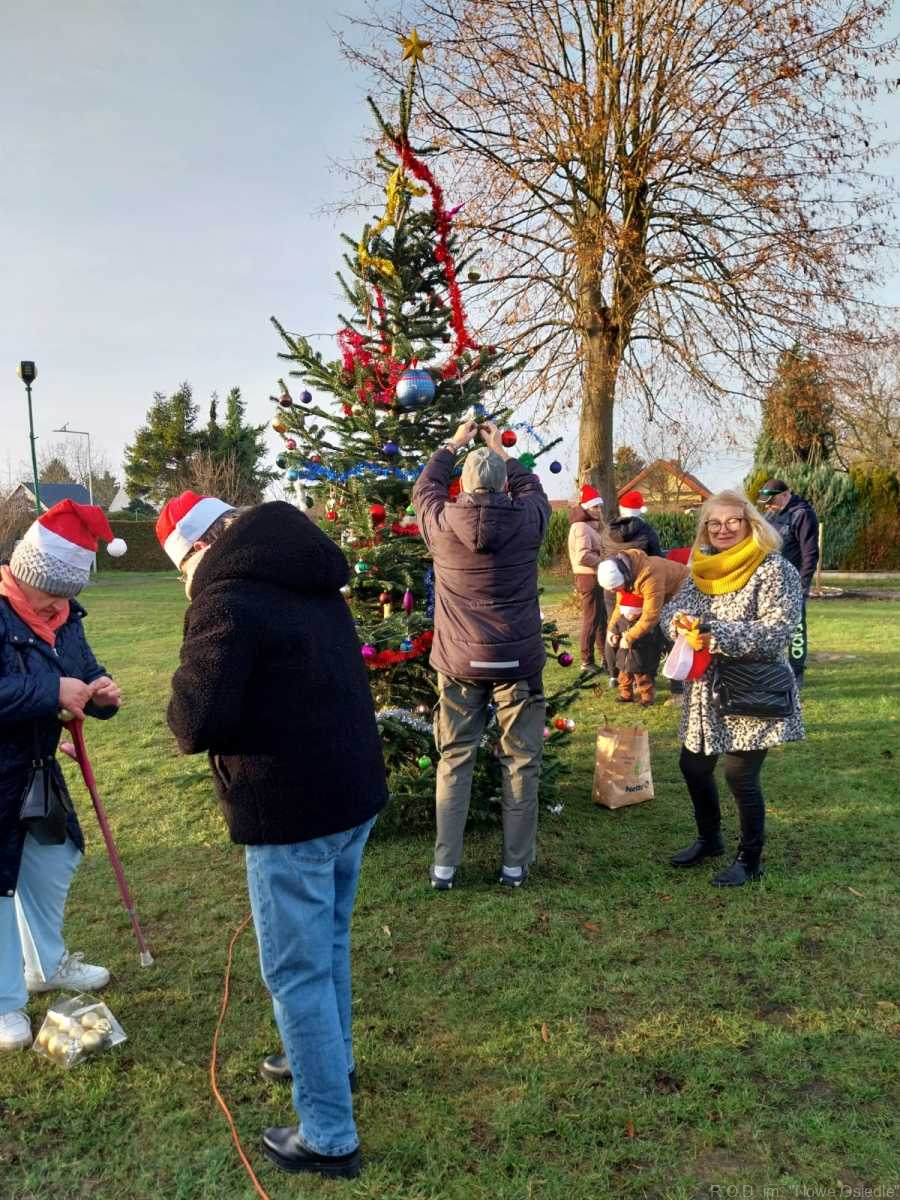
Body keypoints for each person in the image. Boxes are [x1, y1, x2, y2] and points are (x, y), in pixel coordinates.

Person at [160, 491, 387, 1180]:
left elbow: (194, 722)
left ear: (200, 548)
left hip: (292, 807)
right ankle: (331, 1059)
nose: (186, 583)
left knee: (296, 972)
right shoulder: (306, 569)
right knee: (328, 943)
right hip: (350, 790)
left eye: (181, 570)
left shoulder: (227, 596)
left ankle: (328, 1134)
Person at [0, 501, 124, 1052]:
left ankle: (45, 965)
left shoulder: (65, 616)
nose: (59, 606)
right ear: (21, 575)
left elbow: (86, 671)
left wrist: (101, 693)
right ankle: (4, 1002)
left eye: (66, 597)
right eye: (49, 595)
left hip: (36, 767)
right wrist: (51, 691)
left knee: (55, 856)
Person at [412, 420, 550, 891]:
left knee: (454, 758)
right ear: (505, 484)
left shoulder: (440, 523)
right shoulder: (529, 519)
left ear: (463, 485)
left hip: (459, 664)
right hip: (518, 663)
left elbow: (426, 486)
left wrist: (453, 443)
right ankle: (514, 867)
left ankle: (445, 867)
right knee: (521, 761)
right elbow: (534, 489)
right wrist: (502, 451)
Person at [661, 490, 804, 886]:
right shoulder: (702, 568)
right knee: (693, 766)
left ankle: (750, 858)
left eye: (731, 522)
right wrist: (679, 625)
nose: (722, 529)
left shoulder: (774, 569)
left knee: (740, 776)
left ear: (750, 524)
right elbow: (671, 613)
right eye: (713, 523)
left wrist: (715, 635)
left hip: (751, 688)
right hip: (705, 692)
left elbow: (778, 631)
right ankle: (710, 840)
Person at [597, 548, 689, 707]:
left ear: (625, 577)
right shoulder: (624, 573)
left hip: (682, 592)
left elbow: (651, 616)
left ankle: (679, 692)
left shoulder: (650, 575)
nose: (613, 592)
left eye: (615, 587)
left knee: (673, 637)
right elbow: (620, 605)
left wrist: (629, 636)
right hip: (662, 595)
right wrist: (611, 629)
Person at [597, 489, 663, 685]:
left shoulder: (607, 531)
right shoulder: (647, 531)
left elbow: (602, 555)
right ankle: (641, 675)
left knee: (613, 625)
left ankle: (614, 674)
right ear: (640, 510)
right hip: (638, 587)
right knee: (642, 629)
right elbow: (657, 559)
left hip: (611, 583)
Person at [759, 479, 820, 683]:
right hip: (768, 581)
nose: (768, 506)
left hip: (793, 582)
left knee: (796, 628)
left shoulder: (803, 514)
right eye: (766, 502)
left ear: (785, 495)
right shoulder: (770, 514)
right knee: (766, 625)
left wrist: (803, 584)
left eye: (771, 501)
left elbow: (810, 553)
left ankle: (796, 673)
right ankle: (769, 669)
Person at [567, 485, 607, 671]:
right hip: (588, 578)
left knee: (600, 619)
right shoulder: (581, 528)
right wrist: (603, 561)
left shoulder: (591, 526)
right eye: (594, 507)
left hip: (596, 576)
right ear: (586, 507)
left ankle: (605, 657)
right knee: (591, 620)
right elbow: (582, 555)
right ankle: (587, 660)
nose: (598, 510)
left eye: (599, 507)